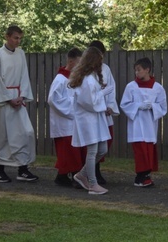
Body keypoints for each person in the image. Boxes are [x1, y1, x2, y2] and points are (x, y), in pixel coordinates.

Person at [0, 25, 39, 183]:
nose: (18, 41)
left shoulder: (21, 54)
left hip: (18, 99)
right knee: (3, 136)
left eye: (20, 38)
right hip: (4, 101)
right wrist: (8, 98)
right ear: (7, 37)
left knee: (25, 133)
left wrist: (22, 96)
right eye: (16, 38)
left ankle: (22, 169)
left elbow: (24, 75)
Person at [69, 46, 112, 195]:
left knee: (103, 149)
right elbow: (89, 102)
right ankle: (93, 184)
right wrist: (104, 92)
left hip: (95, 117)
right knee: (92, 151)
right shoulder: (87, 79)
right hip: (88, 118)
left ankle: (82, 174)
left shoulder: (91, 77)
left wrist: (101, 90)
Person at [120, 57, 168, 188]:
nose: (137, 73)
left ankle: (146, 175)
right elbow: (124, 104)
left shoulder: (158, 88)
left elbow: (163, 107)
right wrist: (138, 106)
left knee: (149, 151)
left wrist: (153, 106)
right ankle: (140, 177)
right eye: (135, 70)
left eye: (139, 70)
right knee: (140, 151)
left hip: (150, 125)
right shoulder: (131, 87)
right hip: (136, 125)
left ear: (147, 70)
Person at [47, 47, 85, 187]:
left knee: (73, 150)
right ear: (70, 61)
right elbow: (53, 99)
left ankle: (63, 176)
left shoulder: (74, 78)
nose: (81, 66)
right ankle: (74, 176)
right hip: (64, 121)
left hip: (73, 121)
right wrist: (72, 108)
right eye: (79, 62)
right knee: (68, 151)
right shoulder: (60, 79)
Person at [89, 40, 120, 184]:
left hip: (104, 112)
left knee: (104, 143)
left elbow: (111, 88)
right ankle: (90, 173)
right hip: (92, 112)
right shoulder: (86, 70)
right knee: (93, 144)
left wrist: (110, 106)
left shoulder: (105, 69)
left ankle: (96, 169)